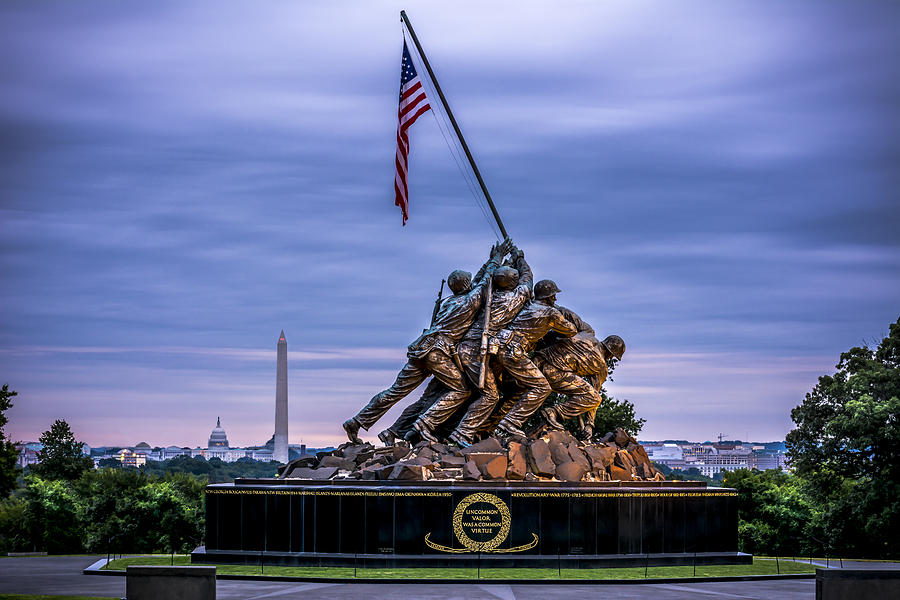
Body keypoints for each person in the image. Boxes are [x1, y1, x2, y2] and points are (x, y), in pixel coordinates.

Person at [342, 241, 510, 443]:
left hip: (421, 347)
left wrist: (490, 261)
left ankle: (357, 421)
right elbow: (484, 283)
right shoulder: (469, 302)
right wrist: (497, 258)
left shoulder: (448, 302)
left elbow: (477, 283)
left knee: (395, 391)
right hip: (438, 352)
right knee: (461, 389)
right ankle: (424, 424)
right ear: (466, 286)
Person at [412, 244, 533, 443]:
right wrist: (520, 259)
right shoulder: (514, 298)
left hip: (461, 349)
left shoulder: (486, 296)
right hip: (475, 351)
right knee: (490, 396)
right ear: (513, 283)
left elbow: (480, 281)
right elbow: (527, 279)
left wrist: (500, 260)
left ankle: (424, 426)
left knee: (468, 391)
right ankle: (454, 431)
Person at [461, 279, 578, 442]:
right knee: (542, 387)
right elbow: (571, 330)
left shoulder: (527, 304)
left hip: (498, 347)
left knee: (513, 389)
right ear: (548, 297)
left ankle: (482, 427)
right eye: (554, 296)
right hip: (512, 351)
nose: (555, 299)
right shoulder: (551, 312)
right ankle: (511, 422)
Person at [539, 334, 626, 438]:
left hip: (537, 360)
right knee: (594, 398)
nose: (611, 358)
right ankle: (554, 412)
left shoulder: (587, 335)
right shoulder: (601, 365)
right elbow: (594, 393)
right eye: (613, 356)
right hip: (553, 373)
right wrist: (589, 424)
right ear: (610, 352)